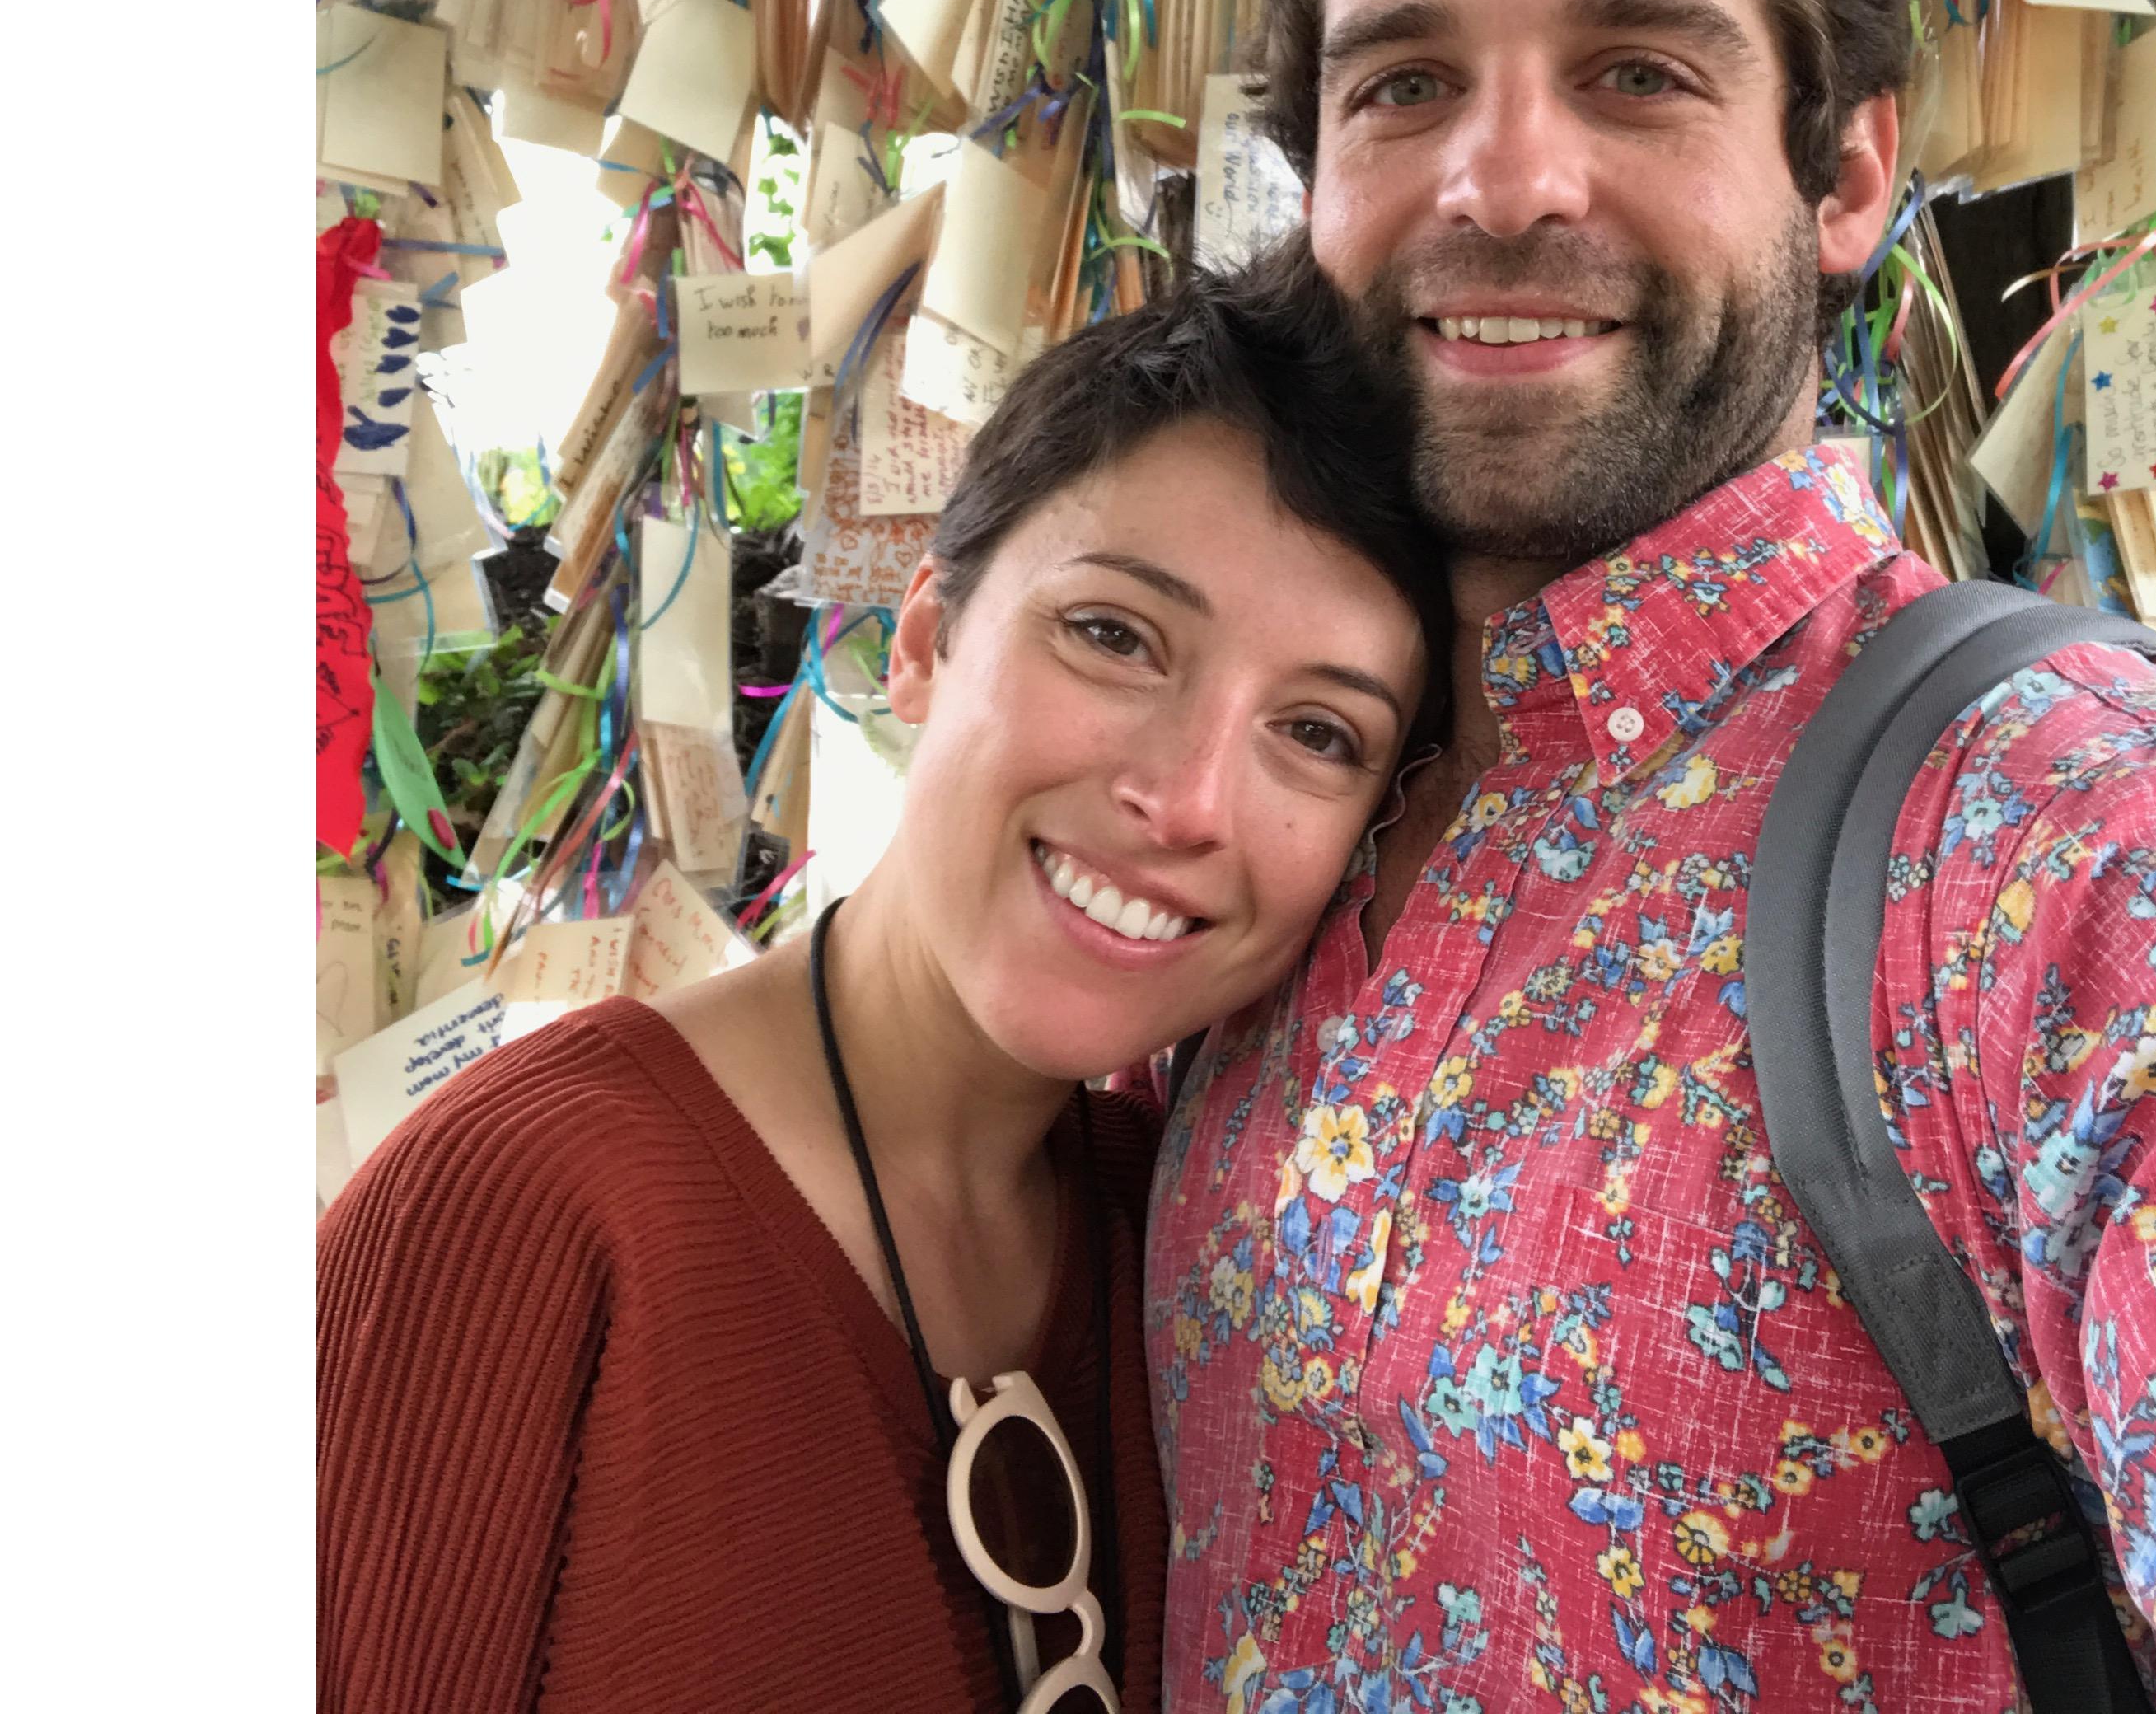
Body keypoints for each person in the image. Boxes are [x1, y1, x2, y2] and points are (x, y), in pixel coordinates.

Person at [1146, 0, 2156, 1712]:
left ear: (1840, 179)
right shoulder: (1247, 823)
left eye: (1635, 72)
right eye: (1402, 85)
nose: (1501, 180)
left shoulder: (2102, 852)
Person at [318, 262, 1452, 1714]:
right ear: (923, 640)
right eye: (1113, 634)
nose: (1184, 801)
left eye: (1316, 732)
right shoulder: (529, 1206)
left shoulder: (1193, 1237)